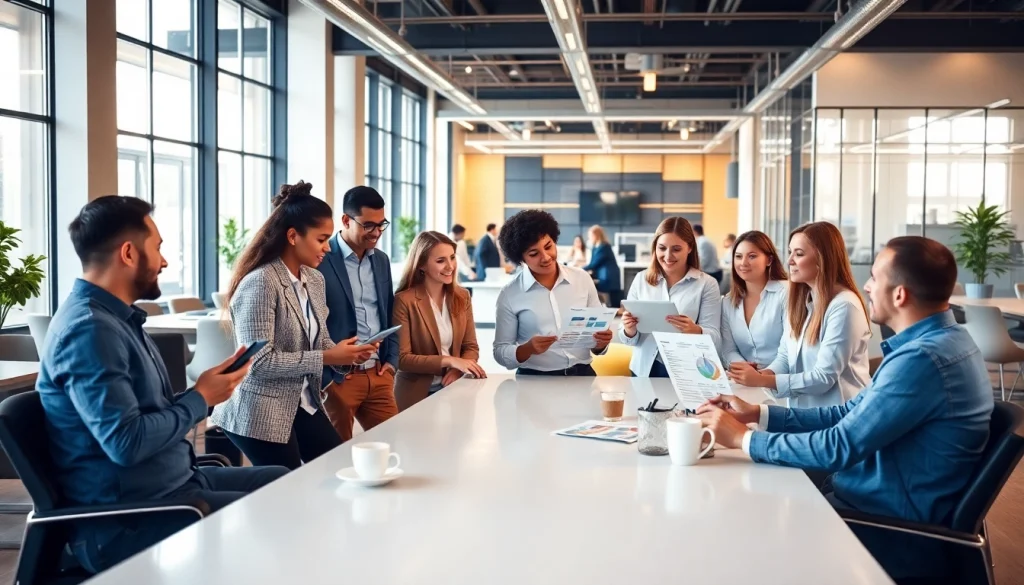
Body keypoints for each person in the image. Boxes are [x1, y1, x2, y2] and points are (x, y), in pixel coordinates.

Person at [697, 236, 994, 581]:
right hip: (866, 502)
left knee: (732, 528)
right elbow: (847, 413)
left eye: (875, 278)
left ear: (899, 294)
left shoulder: (923, 359)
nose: (866, 286)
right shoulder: (941, 343)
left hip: (879, 523)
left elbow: (839, 446)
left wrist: (742, 439)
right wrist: (758, 414)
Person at [38, 196, 289, 574]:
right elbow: (127, 443)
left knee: (284, 484)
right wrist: (200, 399)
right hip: (130, 519)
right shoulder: (90, 331)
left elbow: (143, 415)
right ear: (128, 253)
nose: (164, 261)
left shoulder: (116, 321)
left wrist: (202, 391)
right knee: (276, 517)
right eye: (157, 248)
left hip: (176, 485)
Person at [210, 182, 378, 468]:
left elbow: (320, 341)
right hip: (260, 410)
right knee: (287, 485)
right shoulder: (261, 282)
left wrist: (346, 355)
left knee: (337, 467)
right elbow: (259, 363)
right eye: (321, 239)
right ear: (292, 236)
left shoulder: (314, 279)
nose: (327, 247)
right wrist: (328, 356)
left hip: (302, 400)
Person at [727, 221, 870, 407]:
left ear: (823, 259)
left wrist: (763, 380)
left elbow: (823, 378)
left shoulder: (844, 306)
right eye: (790, 252)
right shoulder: (804, 301)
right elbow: (786, 357)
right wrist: (760, 376)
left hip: (840, 417)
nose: (789, 261)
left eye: (799, 254)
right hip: (803, 414)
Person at [317, 186, 400, 441]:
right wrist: (331, 372)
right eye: (368, 225)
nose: (376, 233)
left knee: (392, 446)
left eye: (381, 224)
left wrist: (392, 360)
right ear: (346, 220)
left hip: (378, 374)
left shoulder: (381, 260)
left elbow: (388, 309)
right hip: (340, 379)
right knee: (333, 458)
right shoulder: (320, 258)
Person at [493, 210, 613, 376]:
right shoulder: (510, 294)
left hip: (583, 374)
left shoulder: (582, 279)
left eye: (548, 246)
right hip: (535, 378)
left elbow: (597, 342)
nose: (546, 257)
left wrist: (601, 343)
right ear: (521, 259)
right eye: (534, 254)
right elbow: (500, 351)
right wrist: (527, 349)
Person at [393, 231, 486, 410]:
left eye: (452, 258)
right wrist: (450, 361)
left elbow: (471, 347)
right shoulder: (404, 300)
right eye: (440, 261)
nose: (450, 266)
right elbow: (402, 359)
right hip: (415, 395)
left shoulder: (462, 296)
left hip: (454, 390)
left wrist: (457, 369)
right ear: (421, 265)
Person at [618, 217, 722, 378]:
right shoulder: (641, 279)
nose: (668, 256)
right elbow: (627, 340)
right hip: (643, 369)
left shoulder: (707, 284)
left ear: (689, 248)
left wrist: (695, 330)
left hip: (686, 371)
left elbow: (715, 337)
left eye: (676, 249)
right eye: (662, 248)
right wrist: (629, 330)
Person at [720, 230, 788, 370]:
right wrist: (744, 368)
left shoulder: (786, 293)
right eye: (738, 257)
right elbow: (727, 350)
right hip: (743, 380)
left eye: (752, 256)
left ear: (769, 260)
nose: (743, 263)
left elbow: (791, 349)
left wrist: (763, 377)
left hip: (781, 381)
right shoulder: (727, 302)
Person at [581, 225, 622, 307]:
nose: (589, 238)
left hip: (608, 277)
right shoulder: (595, 248)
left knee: (614, 303)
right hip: (603, 276)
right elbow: (592, 264)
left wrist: (578, 269)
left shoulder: (604, 247)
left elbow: (593, 264)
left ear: (596, 235)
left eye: (590, 236)